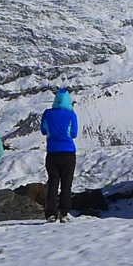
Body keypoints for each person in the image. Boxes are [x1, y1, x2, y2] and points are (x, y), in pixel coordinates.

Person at [40, 89, 79, 223]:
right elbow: (74, 134)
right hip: (68, 153)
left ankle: (51, 213)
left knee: (53, 183)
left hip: (52, 153)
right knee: (66, 184)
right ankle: (64, 213)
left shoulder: (47, 114)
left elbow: (44, 131)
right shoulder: (71, 115)